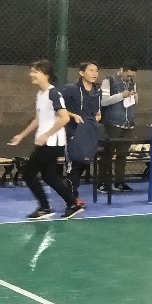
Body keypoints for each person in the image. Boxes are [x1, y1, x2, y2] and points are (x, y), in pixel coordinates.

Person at [8, 60, 82, 220]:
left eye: (35, 72)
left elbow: (64, 118)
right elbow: (38, 119)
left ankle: (45, 207)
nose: (31, 74)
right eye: (31, 71)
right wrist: (21, 135)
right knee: (49, 175)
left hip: (52, 143)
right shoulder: (41, 94)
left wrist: (47, 135)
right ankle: (72, 204)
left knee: (28, 173)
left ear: (46, 74)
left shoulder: (53, 93)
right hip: (46, 141)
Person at [61, 61, 101, 203]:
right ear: (82, 73)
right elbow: (58, 107)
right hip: (73, 131)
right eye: (91, 70)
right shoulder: (70, 89)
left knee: (85, 161)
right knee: (73, 164)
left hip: (89, 132)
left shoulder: (98, 90)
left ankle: (71, 193)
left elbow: (97, 110)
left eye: (96, 71)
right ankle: (72, 197)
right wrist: (73, 115)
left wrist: (98, 115)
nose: (94, 73)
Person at [99, 61, 138, 192]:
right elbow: (104, 101)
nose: (129, 78)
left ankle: (119, 182)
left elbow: (134, 102)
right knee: (107, 154)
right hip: (112, 123)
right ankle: (103, 182)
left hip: (128, 124)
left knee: (123, 154)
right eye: (128, 75)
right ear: (122, 70)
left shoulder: (132, 83)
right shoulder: (109, 81)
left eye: (132, 76)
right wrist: (121, 95)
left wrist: (134, 96)